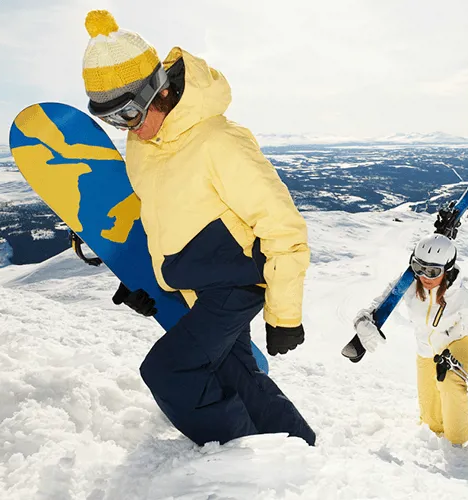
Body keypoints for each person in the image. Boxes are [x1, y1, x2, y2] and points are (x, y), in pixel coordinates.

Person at [81, 10, 315, 446]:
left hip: (236, 284)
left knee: (169, 372)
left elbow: (282, 226)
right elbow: (162, 216)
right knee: (238, 373)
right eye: (112, 120)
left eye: (129, 114)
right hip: (199, 284)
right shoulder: (143, 145)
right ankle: (301, 451)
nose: (126, 129)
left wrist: (285, 315)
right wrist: (148, 284)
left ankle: (246, 461)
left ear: (160, 91)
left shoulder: (218, 141)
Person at [354, 234, 468, 446]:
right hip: (427, 350)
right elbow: (374, 306)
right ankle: (435, 442)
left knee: (450, 383)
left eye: (433, 271)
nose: (424, 276)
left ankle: (458, 445)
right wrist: (362, 323)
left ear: (447, 269)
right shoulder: (408, 284)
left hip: (458, 342)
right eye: (418, 267)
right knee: (431, 423)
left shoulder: (461, 298)